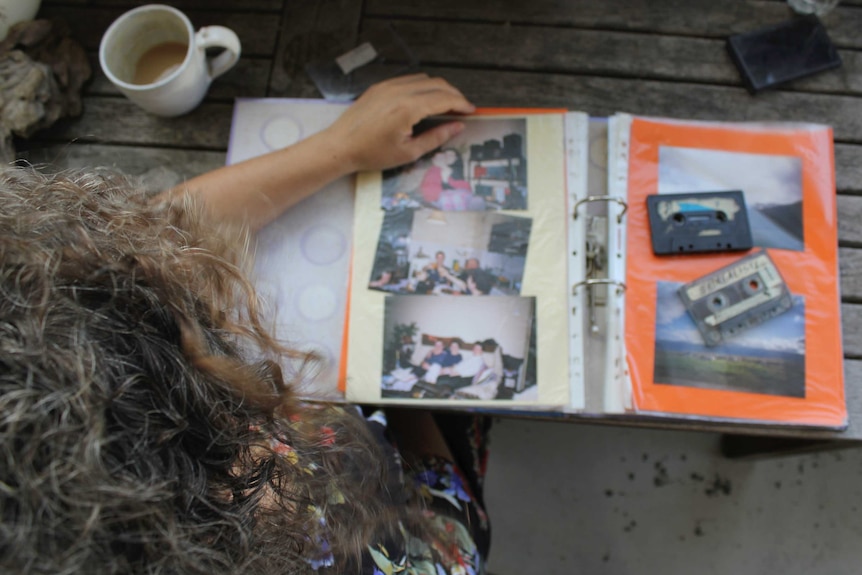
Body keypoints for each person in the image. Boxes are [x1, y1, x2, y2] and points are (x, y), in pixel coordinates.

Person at [0, 75, 491, 574]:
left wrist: (339, 148)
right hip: (398, 502)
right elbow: (451, 551)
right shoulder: (329, 547)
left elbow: (134, 255)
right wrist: (395, 393)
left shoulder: (58, 327)